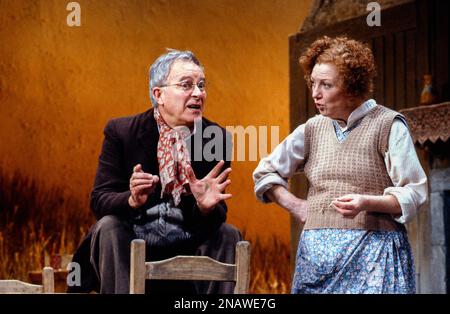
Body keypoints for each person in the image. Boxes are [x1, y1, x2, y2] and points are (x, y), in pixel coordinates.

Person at [253, 36, 428, 294]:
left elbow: (415, 191)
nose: (315, 93)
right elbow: (266, 172)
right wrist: (298, 206)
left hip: (373, 255)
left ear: (351, 87)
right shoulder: (312, 129)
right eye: (313, 83)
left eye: (326, 84)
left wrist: (366, 202)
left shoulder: (387, 125)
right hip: (316, 262)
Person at [68, 49, 241, 294]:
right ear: (158, 94)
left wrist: (204, 207)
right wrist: (131, 199)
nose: (198, 93)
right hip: (132, 240)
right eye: (186, 85)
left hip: (187, 241)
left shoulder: (216, 138)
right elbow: (99, 201)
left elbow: (217, 212)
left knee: (228, 234)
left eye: (201, 85)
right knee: (108, 226)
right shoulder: (122, 131)